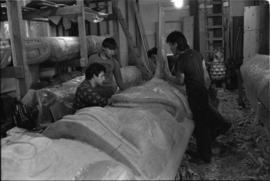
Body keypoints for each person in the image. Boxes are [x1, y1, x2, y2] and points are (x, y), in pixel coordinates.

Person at [165, 31, 231, 163]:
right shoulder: (197, 54)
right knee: (207, 117)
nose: (170, 49)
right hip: (202, 92)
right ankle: (222, 127)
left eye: (171, 46)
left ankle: (204, 156)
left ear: (176, 44)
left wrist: (167, 77)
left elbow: (180, 81)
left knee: (201, 126)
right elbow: (206, 76)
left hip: (194, 95)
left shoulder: (181, 60)